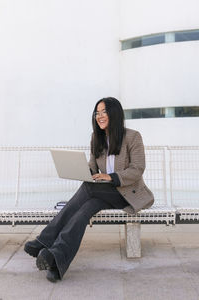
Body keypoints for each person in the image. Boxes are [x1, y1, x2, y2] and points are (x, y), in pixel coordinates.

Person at [24, 97, 154, 282]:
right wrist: (82, 170)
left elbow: (138, 169)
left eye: (104, 112)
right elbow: (92, 166)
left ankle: (45, 239)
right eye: (97, 113)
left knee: (89, 188)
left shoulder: (133, 137)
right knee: (84, 211)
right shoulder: (96, 137)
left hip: (127, 194)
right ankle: (55, 260)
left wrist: (111, 177)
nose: (99, 116)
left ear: (114, 113)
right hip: (102, 192)